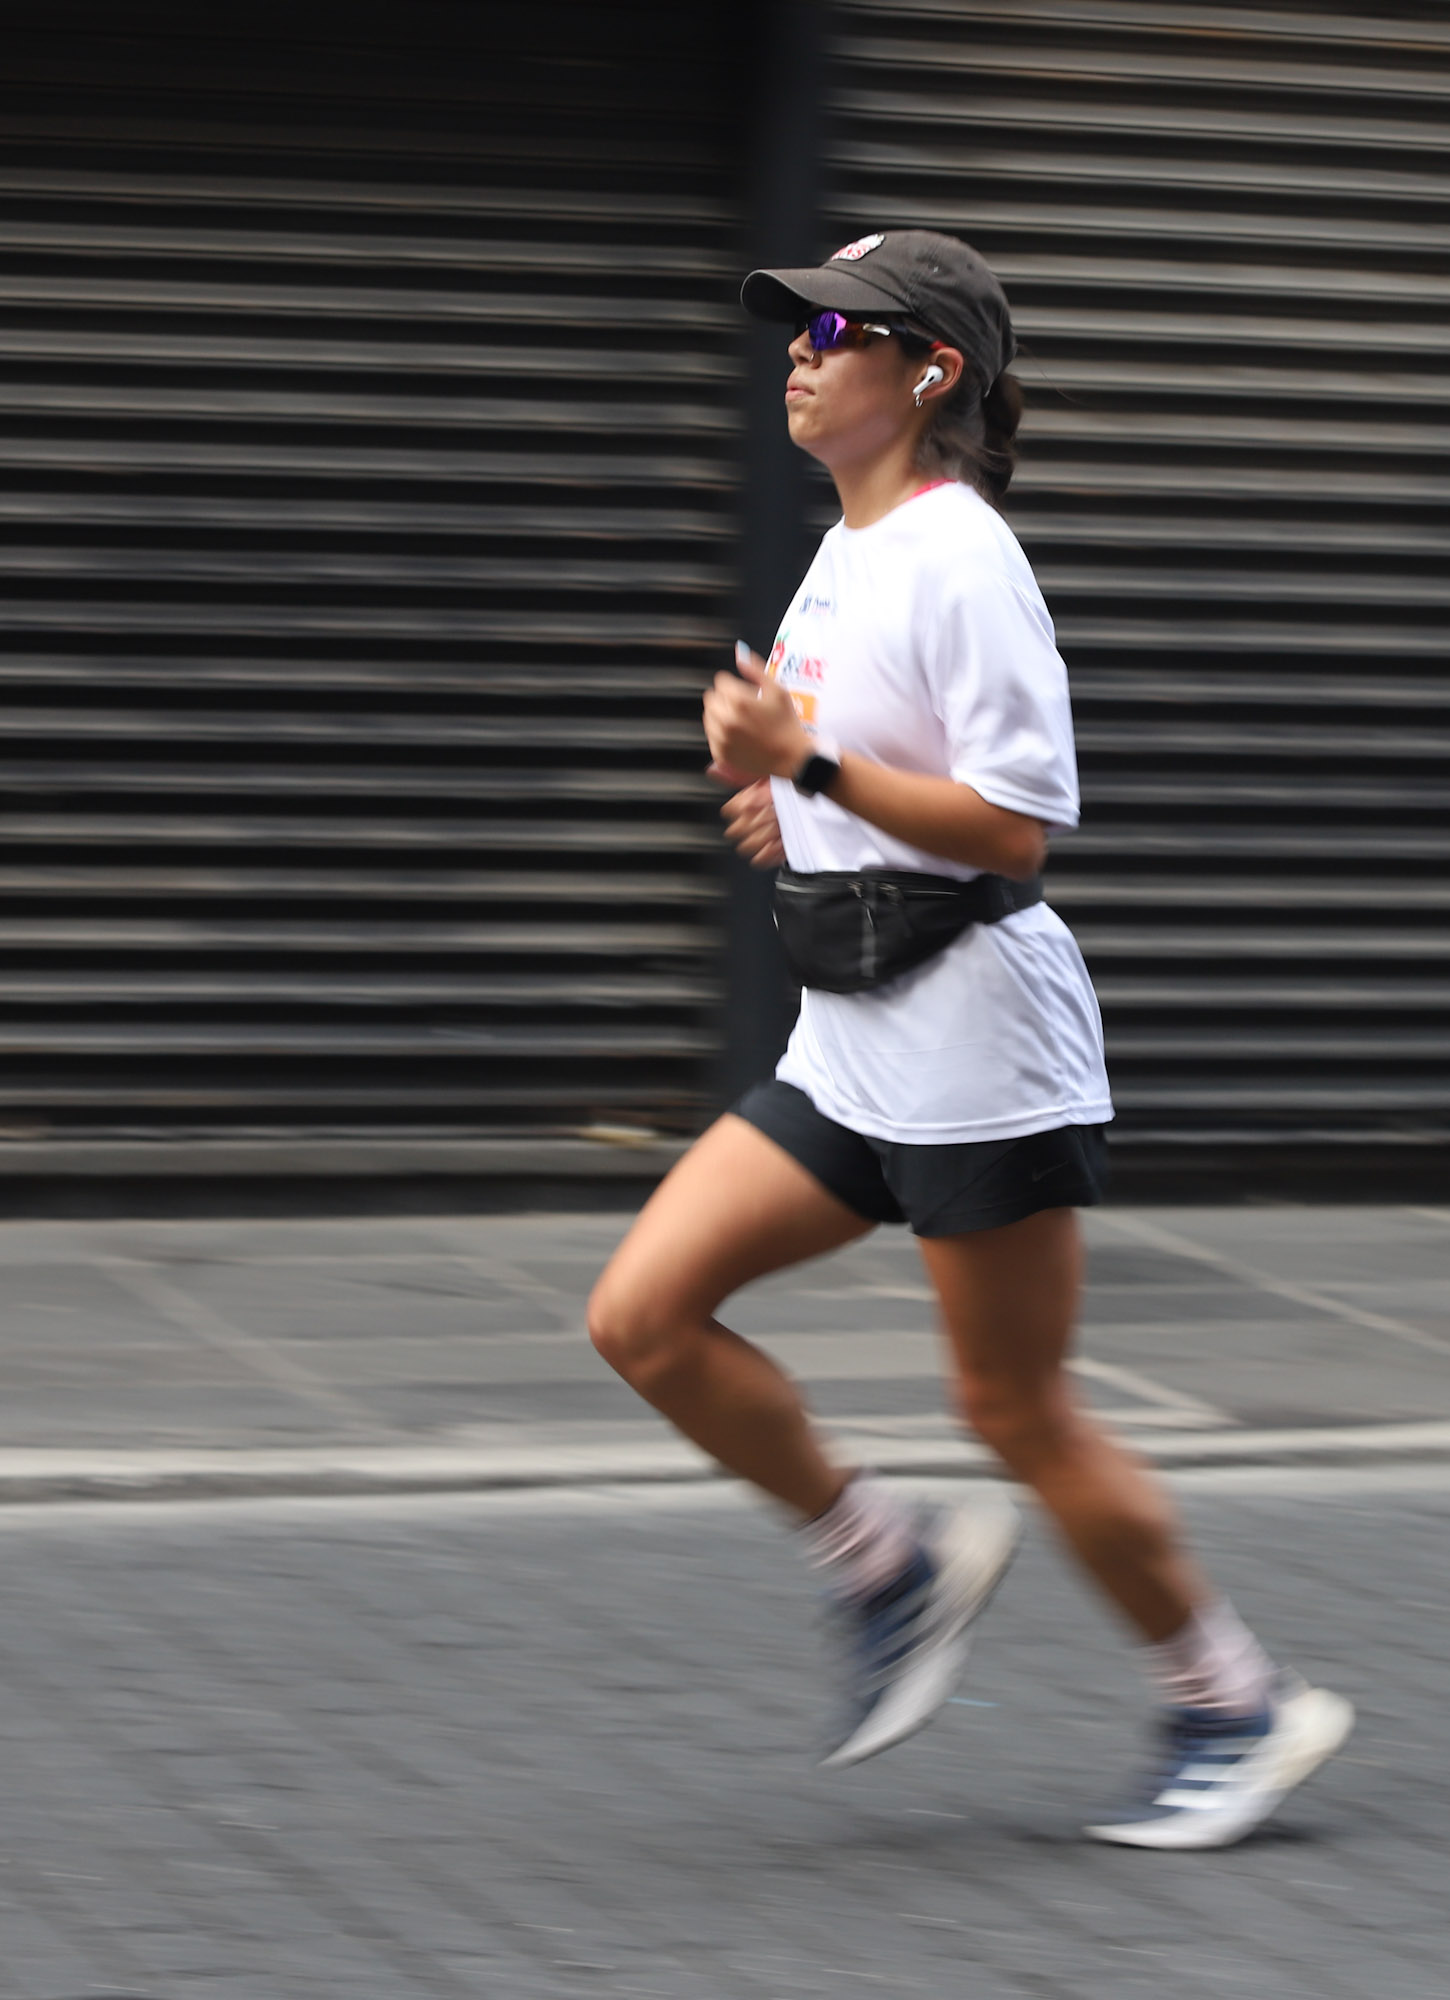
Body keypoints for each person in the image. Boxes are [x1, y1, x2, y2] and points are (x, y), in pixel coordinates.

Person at [584, 229, 1350, 1850]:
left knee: (1016, 1409)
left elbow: (1014, 828)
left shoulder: (959, 556)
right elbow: (861, 771)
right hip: (854, 1019)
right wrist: (791, 803)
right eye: (793, 328)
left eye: (834, 329)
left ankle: (1238, 1701)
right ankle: (892, 1564)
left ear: (928, 372)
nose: (797, 353)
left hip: (976, 1031)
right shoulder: (847, 548)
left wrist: (821, 771)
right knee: (644, 1316)